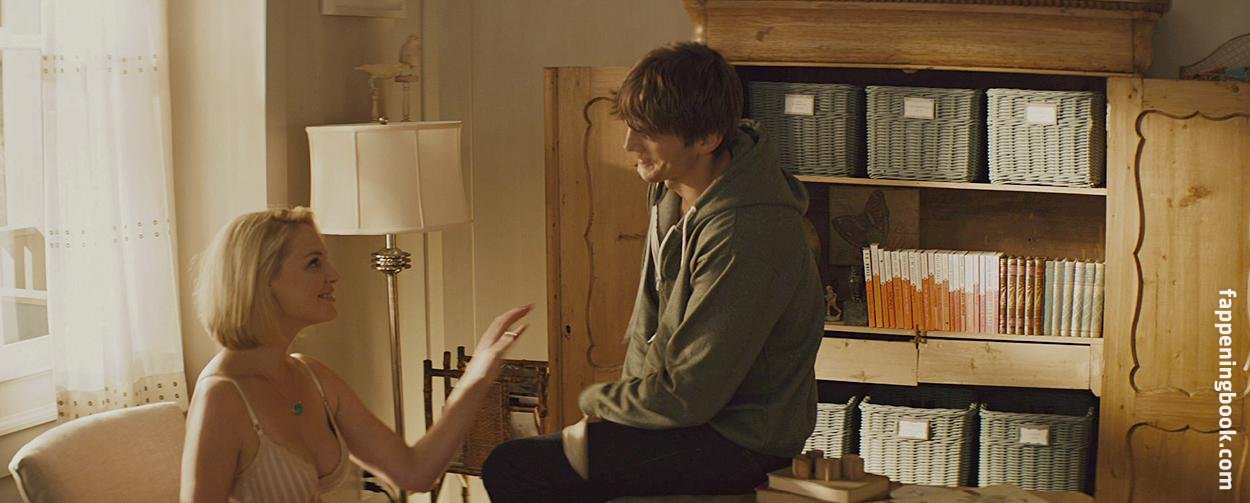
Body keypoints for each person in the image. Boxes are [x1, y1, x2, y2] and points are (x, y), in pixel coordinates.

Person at [482, 42, 824, 501]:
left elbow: (690, 394)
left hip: (741, 441)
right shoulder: (669, 192)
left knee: (514, 467)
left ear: (707, 139)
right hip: (682, 422)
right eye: (630, 126)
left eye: (648, 132)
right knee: (550, 462)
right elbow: (650, 328)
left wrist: (596, 400)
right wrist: (615, 415)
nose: (629, 144)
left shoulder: (747, 230)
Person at [180, 207, 531, 502]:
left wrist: (476, 378)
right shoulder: (222, 396)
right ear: (262, 279)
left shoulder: (313, 377)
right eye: (314, 263)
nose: (333, 275)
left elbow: (414, 471)